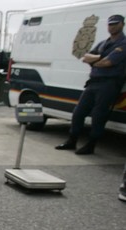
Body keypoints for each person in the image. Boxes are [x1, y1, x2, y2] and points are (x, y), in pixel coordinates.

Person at [56, 14, 126, 155]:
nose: (111, 27)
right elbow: (86, 58)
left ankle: (91, 145)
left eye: (115, 24)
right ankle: (72, 141)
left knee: (98, 115)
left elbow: (108, 62)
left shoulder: (123, 44)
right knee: (78, 112)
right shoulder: (103, 43)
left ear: (122, 24)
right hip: (93, 83)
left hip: (109, 84)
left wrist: (97, 60)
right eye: (109, 24)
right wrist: (101, 58)